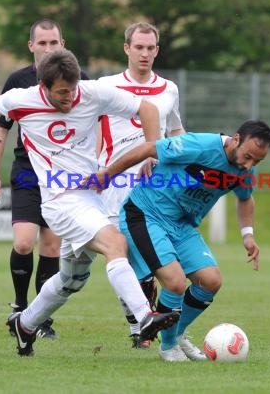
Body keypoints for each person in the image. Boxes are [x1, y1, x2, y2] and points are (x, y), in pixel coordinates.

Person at [0, 48, 180, 357]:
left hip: (91, 198)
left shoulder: (91, 93)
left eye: (72, 90)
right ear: (43, 87)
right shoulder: (23, 99)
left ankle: (26, 324)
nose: (69, 97)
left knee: (72, 279)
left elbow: (148, 109)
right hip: (60, 200)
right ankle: (143, 318)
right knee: (115, 243)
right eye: (61, 93)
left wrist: (151, 151)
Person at [87, 120, 270, 361]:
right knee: (174, 283)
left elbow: (245, 197)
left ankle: (176, 334)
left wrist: (247, 234)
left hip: (181, 225)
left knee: (211, 281)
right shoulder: (199, 145)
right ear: (236, 139)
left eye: (257, 161)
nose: (249, 164)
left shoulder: (245, 170)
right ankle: (168, 347)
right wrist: (106, 175)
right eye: (248, 156)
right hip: (146, 214)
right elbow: (148, 149)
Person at [0, 19, 89, 339]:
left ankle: (41, 319)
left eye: (53, 43)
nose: (47, 48)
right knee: (23, 241)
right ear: (31, 46)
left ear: (63, 44)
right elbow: (0, 128)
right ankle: (19, 306)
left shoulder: (79, 80)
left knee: (52, 245)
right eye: (41, 43)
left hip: (62, 175)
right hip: (28, 170)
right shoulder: (18, 81)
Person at [97, 22, 185, 349]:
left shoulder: (169, 89)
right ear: (127, 49)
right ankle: (139, 324)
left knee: (144, 257)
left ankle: (141, 330)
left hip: (154, 186)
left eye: (150, 48)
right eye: (139, 47)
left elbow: (175, 131)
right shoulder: (106, 86)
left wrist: (180, 161)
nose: (145, 53)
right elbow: (87, 127)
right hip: (112, 186)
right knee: (120, 256)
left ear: (157, 50)